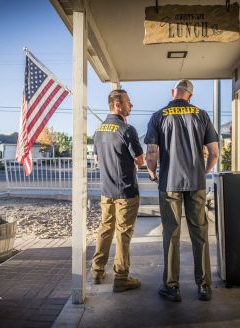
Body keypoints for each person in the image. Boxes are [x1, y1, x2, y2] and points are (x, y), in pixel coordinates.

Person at [144, 80, 219, 302]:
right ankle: (204, 286)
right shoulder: (201, 115)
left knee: (171, 233)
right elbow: (214, 153)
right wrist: (202, 172)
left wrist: (152, 172)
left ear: (173, 92)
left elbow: (151, 153)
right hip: (196, 182)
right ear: (190, 96)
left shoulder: (159, 116)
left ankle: (171, 287)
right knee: (200, 233)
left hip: (169, 183)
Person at [91, 89, 145, 293]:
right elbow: (140, 161)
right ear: (117, 105)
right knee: (123, 233)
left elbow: (97, 159)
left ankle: (97, 271)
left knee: (105, 229)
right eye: (128, 102)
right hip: (126, 192)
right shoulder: (127, 129)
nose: (131, 105)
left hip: (106, 191)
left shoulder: (98, 130)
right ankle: (121, 277)